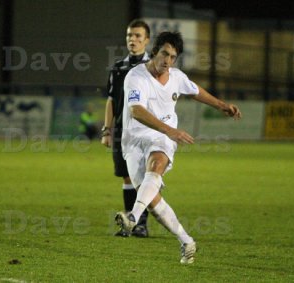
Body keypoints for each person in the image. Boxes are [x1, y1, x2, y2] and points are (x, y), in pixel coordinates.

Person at [115, 31, 242, 264]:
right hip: (134, 139)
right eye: (165, 53)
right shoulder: (136, 77)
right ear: (155, 52)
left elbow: (195, 91)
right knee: (153, 201)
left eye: (173, 57)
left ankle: (133, 216)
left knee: (157, 162)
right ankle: (186, 241)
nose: (168, 60)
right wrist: (170, 130)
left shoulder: (176, 76)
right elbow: (136, 111)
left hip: (161, 137)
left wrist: (221, 105)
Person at [101, 19, 151, 237]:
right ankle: (131, 223)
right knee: (127, 177)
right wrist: (107, 130)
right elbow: (111, 100)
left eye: (138, 36)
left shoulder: (152, 68)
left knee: (144, 176)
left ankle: (141, 224)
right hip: (123, 131)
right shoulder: (118, 68)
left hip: (146, 130)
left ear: (147, 40)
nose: (133, 40)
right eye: (130, 35)